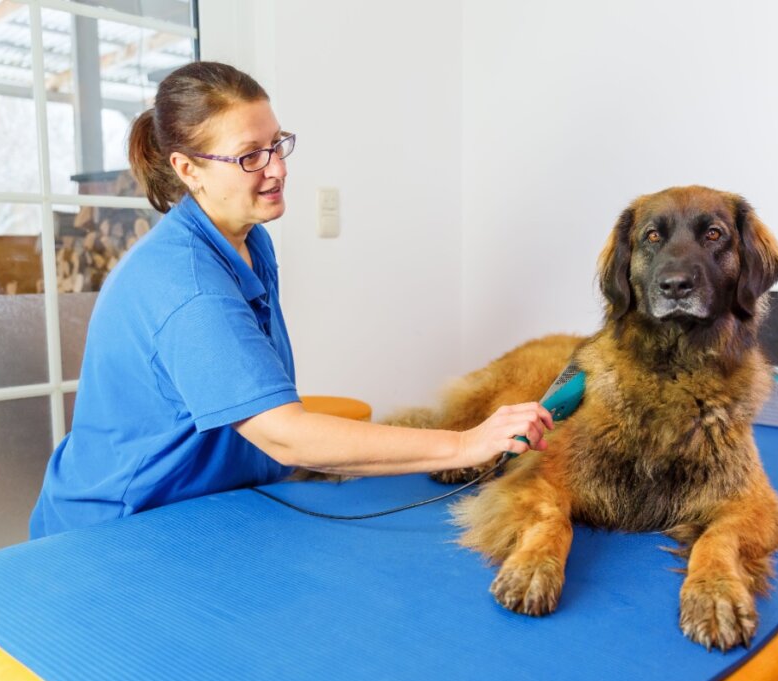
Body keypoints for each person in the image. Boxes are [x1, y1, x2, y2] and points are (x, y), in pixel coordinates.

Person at [29, 62, 553, 538]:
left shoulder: (248, 239)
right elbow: (284, 435)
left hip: (209, 507)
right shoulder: (187, 287)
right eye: (250, 156)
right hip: (115, 529)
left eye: (277, 144)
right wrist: (465, 443)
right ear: (188, 169)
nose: (277, 168)